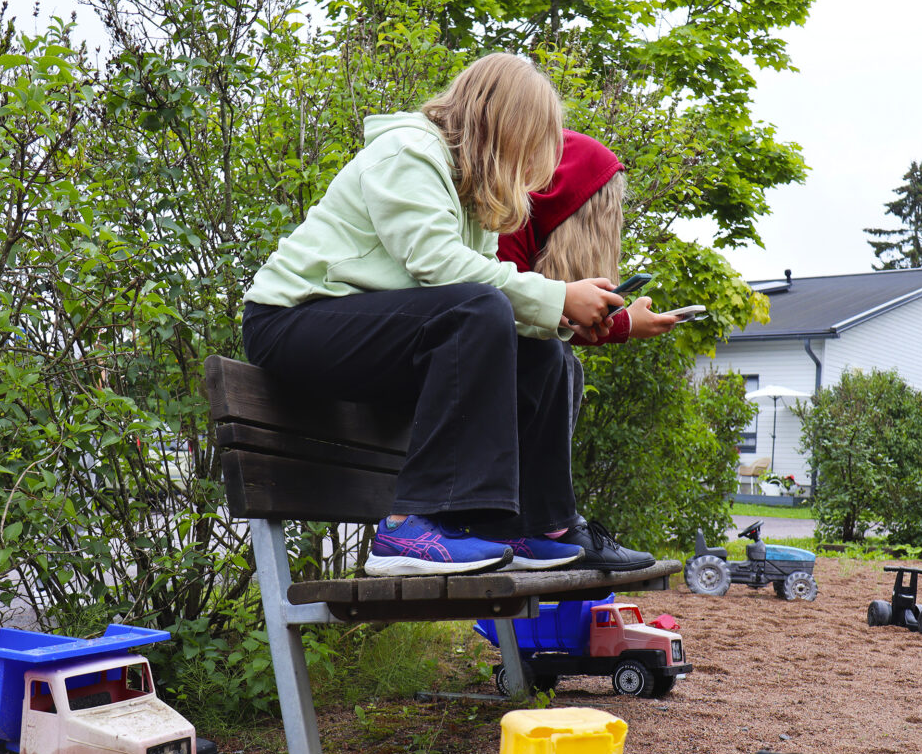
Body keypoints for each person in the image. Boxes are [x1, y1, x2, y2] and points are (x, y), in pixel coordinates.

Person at [240, 54, 630, 577]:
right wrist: (559, 298)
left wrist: (562, 319)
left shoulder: (472, 192)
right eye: (530, 140)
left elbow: (485, 294)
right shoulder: (408, 152)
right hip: (293, 320)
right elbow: (440, 267)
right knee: (477, 307)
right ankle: (405, 529)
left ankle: (527, 524)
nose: (532, 159)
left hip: (362, 332)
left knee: (545, 354)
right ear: (502, 124)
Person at [497, 129, 684, 570]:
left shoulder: (519, 230)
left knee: (562, 361)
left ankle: (547, 525)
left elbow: (533, 320)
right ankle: (548, 526)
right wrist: (622, 323)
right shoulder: (507, 228)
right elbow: (516, 322)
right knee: (552, 356)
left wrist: (624, 322)